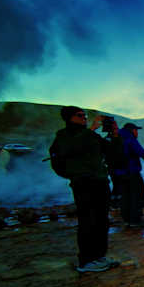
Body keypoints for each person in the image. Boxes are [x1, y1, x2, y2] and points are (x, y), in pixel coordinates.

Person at [48, 106, 122, 272]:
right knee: (88, 220)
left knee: (102, 220)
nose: (85, 118)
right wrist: (92, 128)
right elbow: (70, 148)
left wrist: (115, 135)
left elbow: (114, 153)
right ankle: (87, 261)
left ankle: (99, 256)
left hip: (100, 181)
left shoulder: (91, 135)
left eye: (85, 116)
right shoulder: (64, 136)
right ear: (69, 118)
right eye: (80, 115)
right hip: (83, 183)